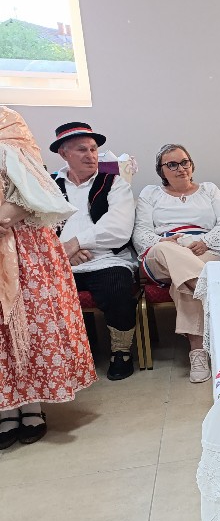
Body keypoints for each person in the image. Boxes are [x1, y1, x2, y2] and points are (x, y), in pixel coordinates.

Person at [0, 107, 96, 448]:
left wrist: (8, 214)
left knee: (30, 323)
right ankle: (5, 408)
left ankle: (32, 406)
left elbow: (36, 187)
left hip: (25, 246)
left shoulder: (9, 122)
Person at [134, 144, 220, 383]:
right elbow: (141, 232)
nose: (180, 168)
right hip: (164, 250)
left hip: (203, 249)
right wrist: (164, 241)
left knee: (183, 282)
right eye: (172, 164)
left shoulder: (209, 190)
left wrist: (206, 241)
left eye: (184, 162)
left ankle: (197, 352)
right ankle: (213, 290)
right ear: (161, 170)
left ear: (192, 164)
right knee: (167, 251)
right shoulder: (150, 194)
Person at [49, 121, 138, 380]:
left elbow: (118, 228)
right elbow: (37, 228)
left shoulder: (115, 183)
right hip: (60, 261)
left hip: (107, 259)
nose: (91, 155)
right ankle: (64, 355)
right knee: (42, 293)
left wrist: (75, 243)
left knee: (117, 287)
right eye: (82, 150)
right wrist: (64, 252)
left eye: (93, 149)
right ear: (63, 153)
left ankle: (121, 351)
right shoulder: (48, 187)